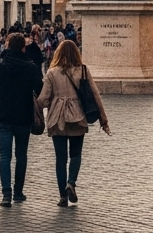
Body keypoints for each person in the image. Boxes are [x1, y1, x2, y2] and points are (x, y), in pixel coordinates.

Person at [37, 40, 110, 207]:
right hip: (77, 115)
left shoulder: (52, 73)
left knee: (60, 158)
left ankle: (62, 196)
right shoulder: (82, 70)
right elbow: (95, 95)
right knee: (75, 155)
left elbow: (42, 100)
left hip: (57, 117)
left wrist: (33, 108)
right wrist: (103, 119)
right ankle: (71, 182)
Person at [0, 33, 45, 206]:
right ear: (23, 48)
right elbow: (40, 90)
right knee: (21, 155)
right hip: (23, 116)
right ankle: (18, 192)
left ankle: (6, 194)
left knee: (4, 155)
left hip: (3, 116)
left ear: (8, 46)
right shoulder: (30, 67)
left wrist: (0, 97)